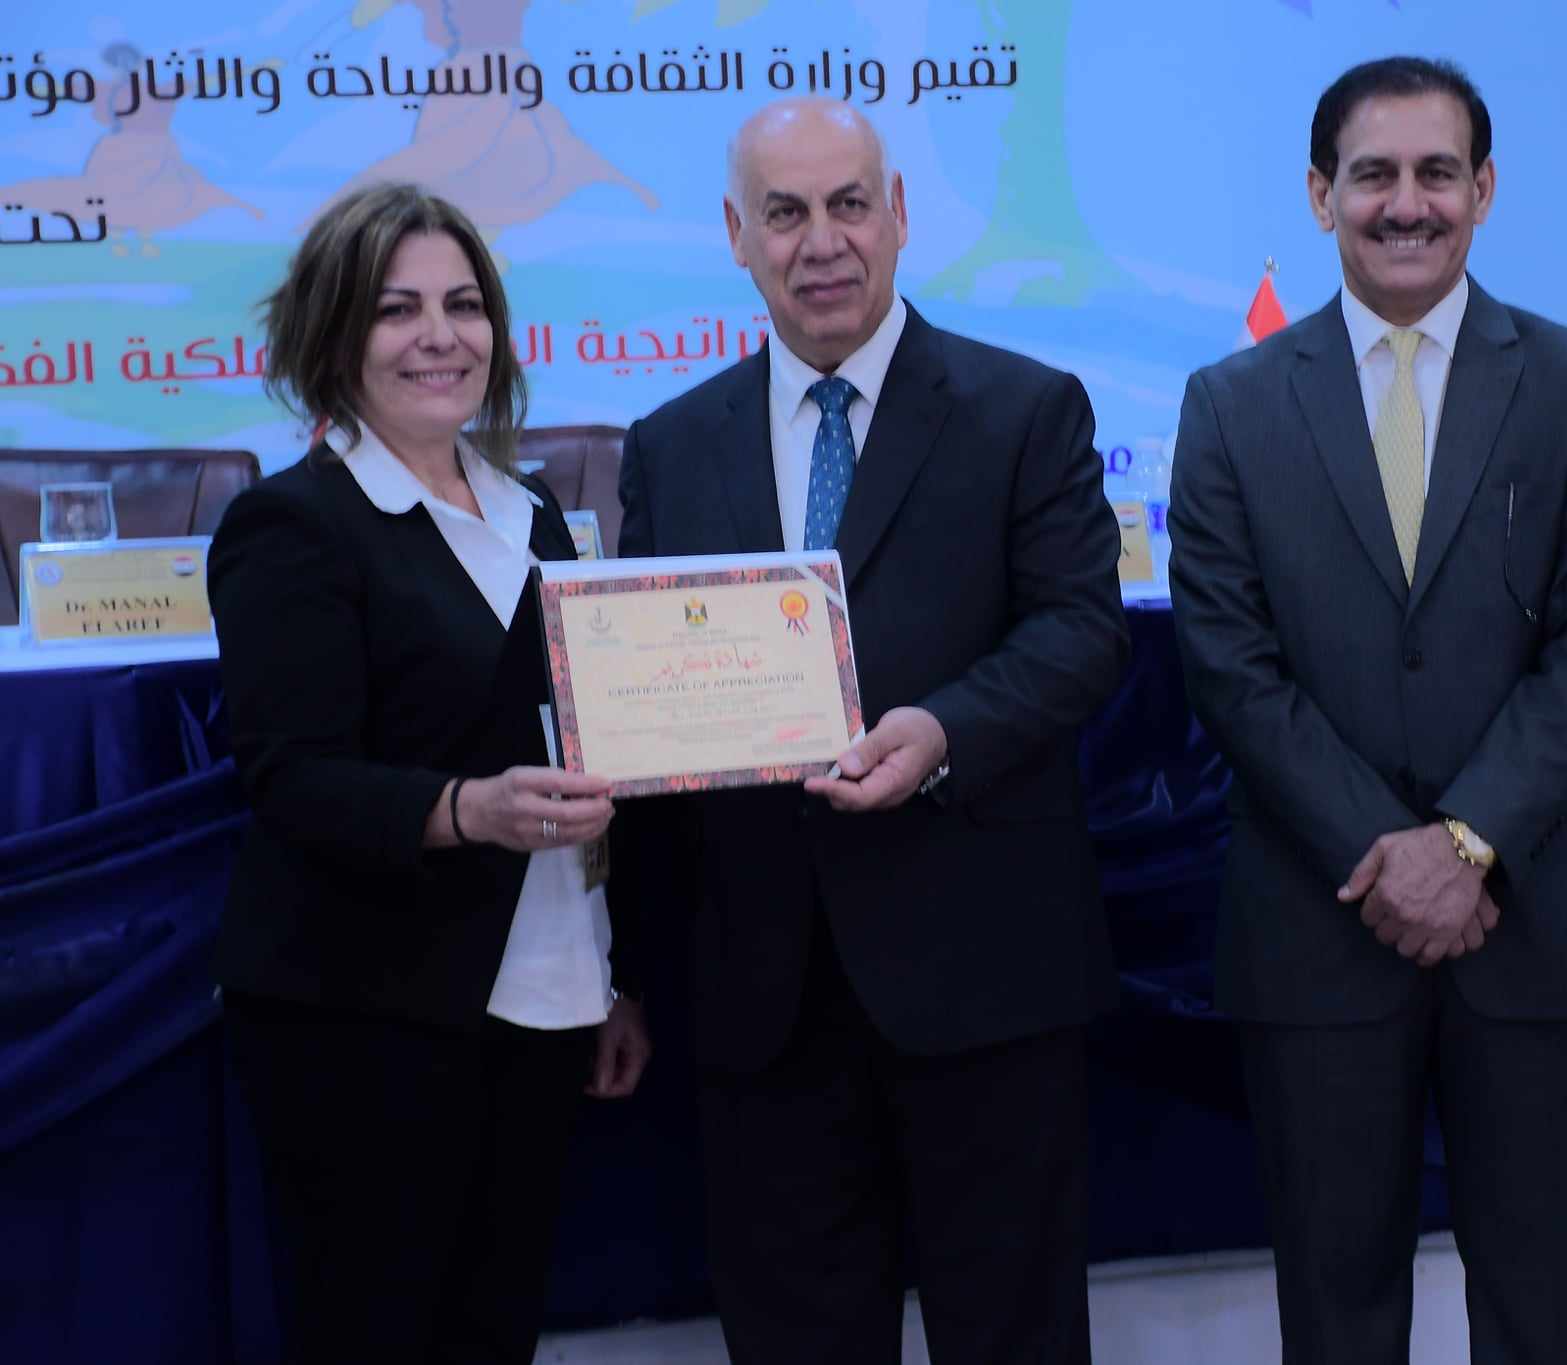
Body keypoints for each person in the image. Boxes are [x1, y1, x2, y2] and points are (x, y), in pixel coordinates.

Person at [612, 98, 1128, 1365]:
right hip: (761, 1002)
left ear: (897, 215)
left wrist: (941, 731)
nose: (821, 241)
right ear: (736, 234)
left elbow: (1079, 636)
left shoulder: (1025, 410)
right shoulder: (669, 447)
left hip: (983, 983)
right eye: (784, 213)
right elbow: (642, 721)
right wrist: (626, 967)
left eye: (849, 204)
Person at [1168, 57, 1567, 1365]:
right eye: (1373, 175)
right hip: (1318, 928)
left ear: (1483, 191)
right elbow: (1227, 662)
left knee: (1545, 1324)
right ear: (1319, 194)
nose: (1406, 204)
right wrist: (1385, 855)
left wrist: (1467, 842)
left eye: (1436, 173)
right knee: (1336, 1326)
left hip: (1538, 931)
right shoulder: (1229, 405)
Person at [207, 182, 651, 1365]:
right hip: (360, 1018)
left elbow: (572, 747)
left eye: (464, 305)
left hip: (537, 1003)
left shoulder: (533, 510)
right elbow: (291, 778)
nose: (439, 336)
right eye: (396, 309)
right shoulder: (292, 525)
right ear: (333, 333)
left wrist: (607, 977)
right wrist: (466, 811)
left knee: (493, 1334)